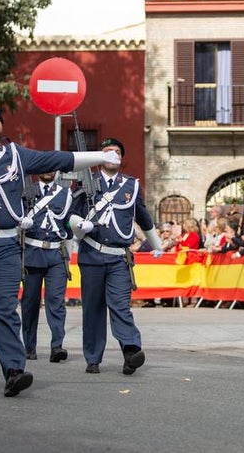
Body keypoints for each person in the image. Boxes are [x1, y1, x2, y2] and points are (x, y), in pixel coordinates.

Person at [0, 102, 119, 397]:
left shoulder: (15, 155)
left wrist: (100, 156)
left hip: (6, 245)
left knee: (6, 308)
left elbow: (57, 159)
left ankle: (14, 370)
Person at [69, 136, 163, 376]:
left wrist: (156, 244)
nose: (113, 155)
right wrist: (80, 225)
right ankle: (93, 358)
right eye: (108, 151)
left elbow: (142, 216)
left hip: (119, 257)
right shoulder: (85, 181)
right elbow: (69, 214)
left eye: (117, 152)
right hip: (92, 254)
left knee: (121, 306)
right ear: (100, 157)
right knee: (93, 308)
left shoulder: (131, 185)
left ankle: (131, 351)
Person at [20, 171, 73, 364]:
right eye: (45, 167)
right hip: (33, 252)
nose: (49, 171)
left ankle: (57, 346)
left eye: (53, 168)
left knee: (56, 302)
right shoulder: (27, 190)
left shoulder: (66, 193)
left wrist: (69, 256)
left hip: (56, 254)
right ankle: (29, 346)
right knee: (30, 302)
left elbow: (68, 225)